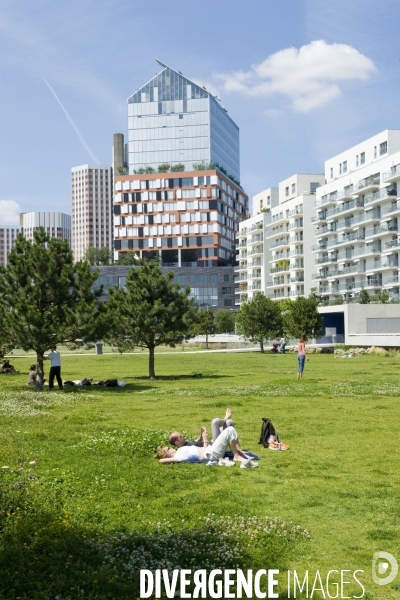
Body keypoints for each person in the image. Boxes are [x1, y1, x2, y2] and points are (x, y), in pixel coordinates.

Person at [157, 426, 258, 469]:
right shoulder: (179, 456)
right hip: (210, 454)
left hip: (210, 449)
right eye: (168, 449)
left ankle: (239, 453)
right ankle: (236, 455)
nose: (171, 448)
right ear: (168, 454)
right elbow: (201, 457)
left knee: (223, 428)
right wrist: (205, 440)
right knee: (229, 430)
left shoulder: (181, 450)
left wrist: (203, 437)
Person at [169, 408, 235, 448]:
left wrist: (201, 434)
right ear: (177, 443)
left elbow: (196, 441)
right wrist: (205, 439)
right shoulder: (184, 449)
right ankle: (226, 417)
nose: (182, 435)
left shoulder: (186, 443)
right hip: (213, 447)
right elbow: (203, 451)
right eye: (180, 436)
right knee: (215, 422)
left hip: (212, 443)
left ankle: (226, 420)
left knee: (229, 423)